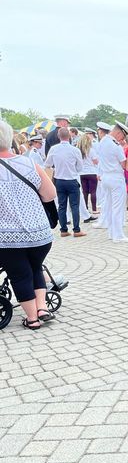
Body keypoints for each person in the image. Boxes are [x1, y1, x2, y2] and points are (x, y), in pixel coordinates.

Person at [0, 120, 57, 328]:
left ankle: (32, 318)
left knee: (20, 274)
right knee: (34, 267)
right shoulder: (29, 163)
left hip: (8, 238)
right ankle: (42, 307)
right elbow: (50, 194)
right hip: (40, 234)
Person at [44, 127, 86, 238]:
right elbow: (80, 167)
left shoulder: (53, 149)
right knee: (75, 206)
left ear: (59, 136)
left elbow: (47, 164)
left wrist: (56, 167)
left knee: (62, 206)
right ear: (69, 136)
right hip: (72, 180)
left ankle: (63, 230)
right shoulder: (75, 150)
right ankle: (76, 230)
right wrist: (73, 170)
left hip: (59, 180)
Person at [97, 121, 128, 242]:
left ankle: (111, 233)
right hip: (116, 177)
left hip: (105, 176)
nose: (123, 138)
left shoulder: (103, 142)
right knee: (117, 207)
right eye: (123, 135)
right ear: (119, 132)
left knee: (109, 206)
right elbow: (123, 164)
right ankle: (118, 235)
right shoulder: (116, 146)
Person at [78, 132, 100, 214]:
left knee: (85, 192)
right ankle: (94, 209)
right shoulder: (91, 150)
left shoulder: (78, 151)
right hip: (91, 172)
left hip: (81, 173)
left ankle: (86, 209)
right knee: (93, 191)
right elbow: (96, 161)